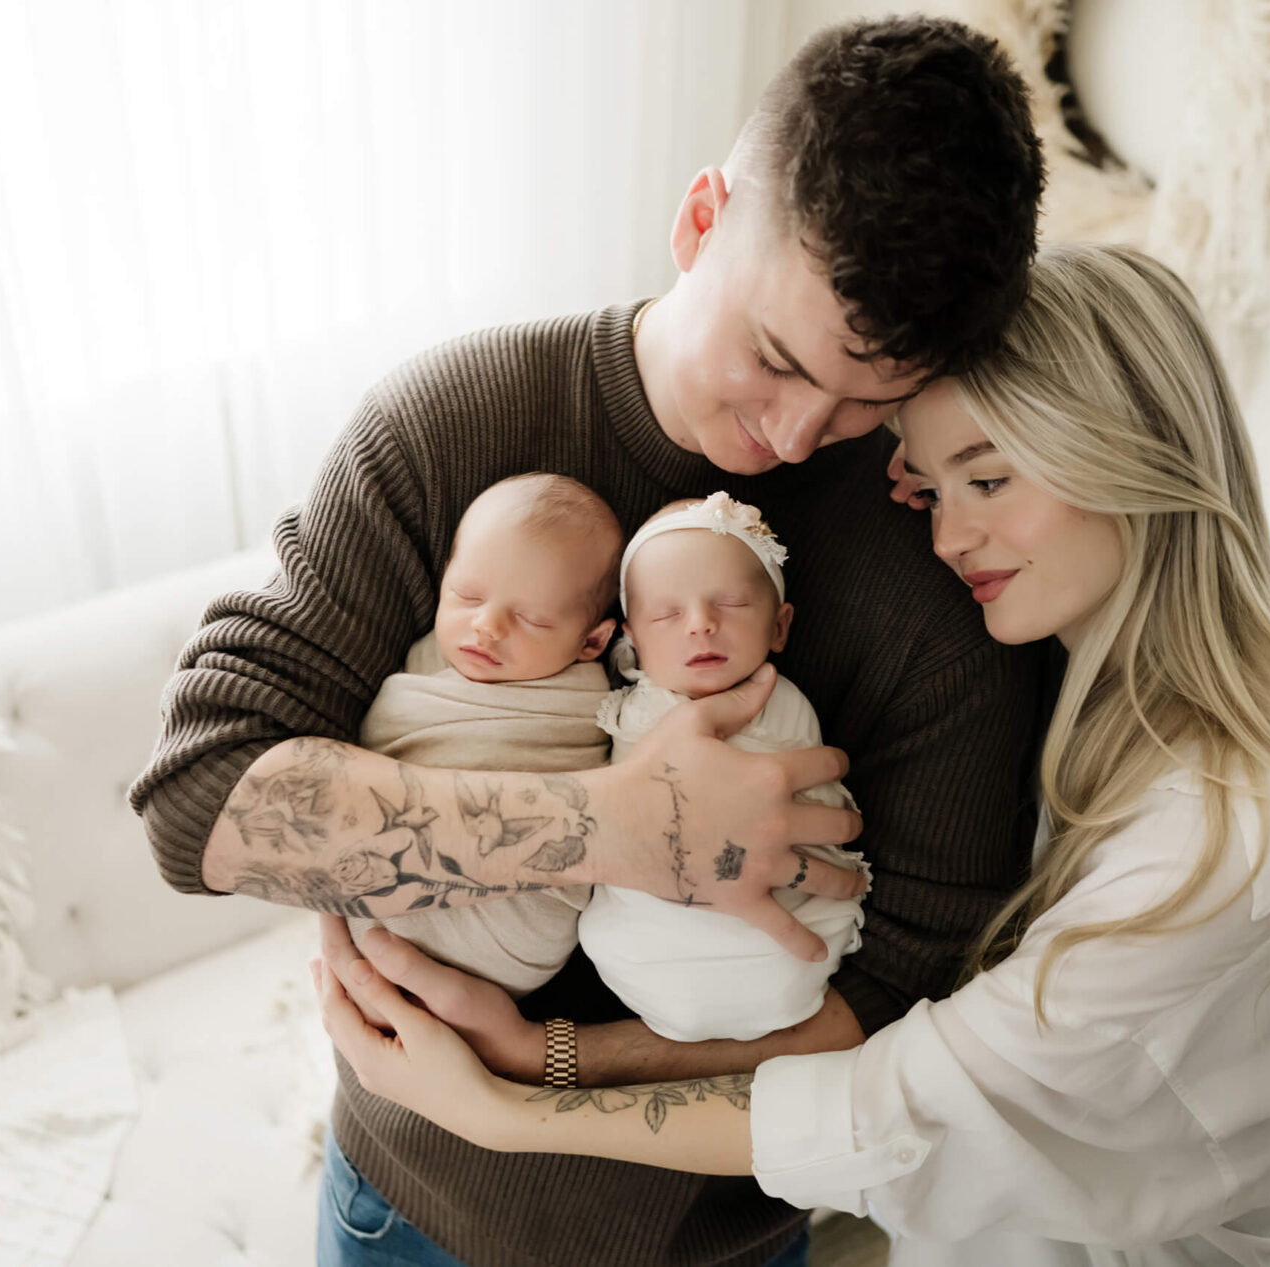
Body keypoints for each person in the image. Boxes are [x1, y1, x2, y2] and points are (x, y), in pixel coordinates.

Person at [130, 14, 1046, 1267]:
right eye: (772, 359)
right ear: (700, 219)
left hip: (718, 1245)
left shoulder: (941, 583)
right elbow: (197, 800)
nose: (791, 434)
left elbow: (898, 1013)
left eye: (863, 403)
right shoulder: (453, 425)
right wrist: (623, 825)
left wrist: (547, 1064)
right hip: (411, 1214)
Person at [315, 244, 1270, 1266]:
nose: (945, 535)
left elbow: (899, 1107)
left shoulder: (1242, 844)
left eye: (987, 481)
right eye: (929, 485)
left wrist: (521, 1088)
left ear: (1133, 452)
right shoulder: (1082, 699)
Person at [582, 491, 867, 1043]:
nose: (701, 625)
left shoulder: (785, 703)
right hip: (648, 944)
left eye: (731, 604)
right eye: (667, 614)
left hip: (784, 930)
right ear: (632, 641)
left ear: (780, 627)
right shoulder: (622, 709)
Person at [341, 473, 620, 998]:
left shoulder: (584, 706)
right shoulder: (428, 656)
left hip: (507, 935)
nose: (486, 625)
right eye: (467, 594)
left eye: (532, 618)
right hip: (378, 913)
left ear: (592, 641)